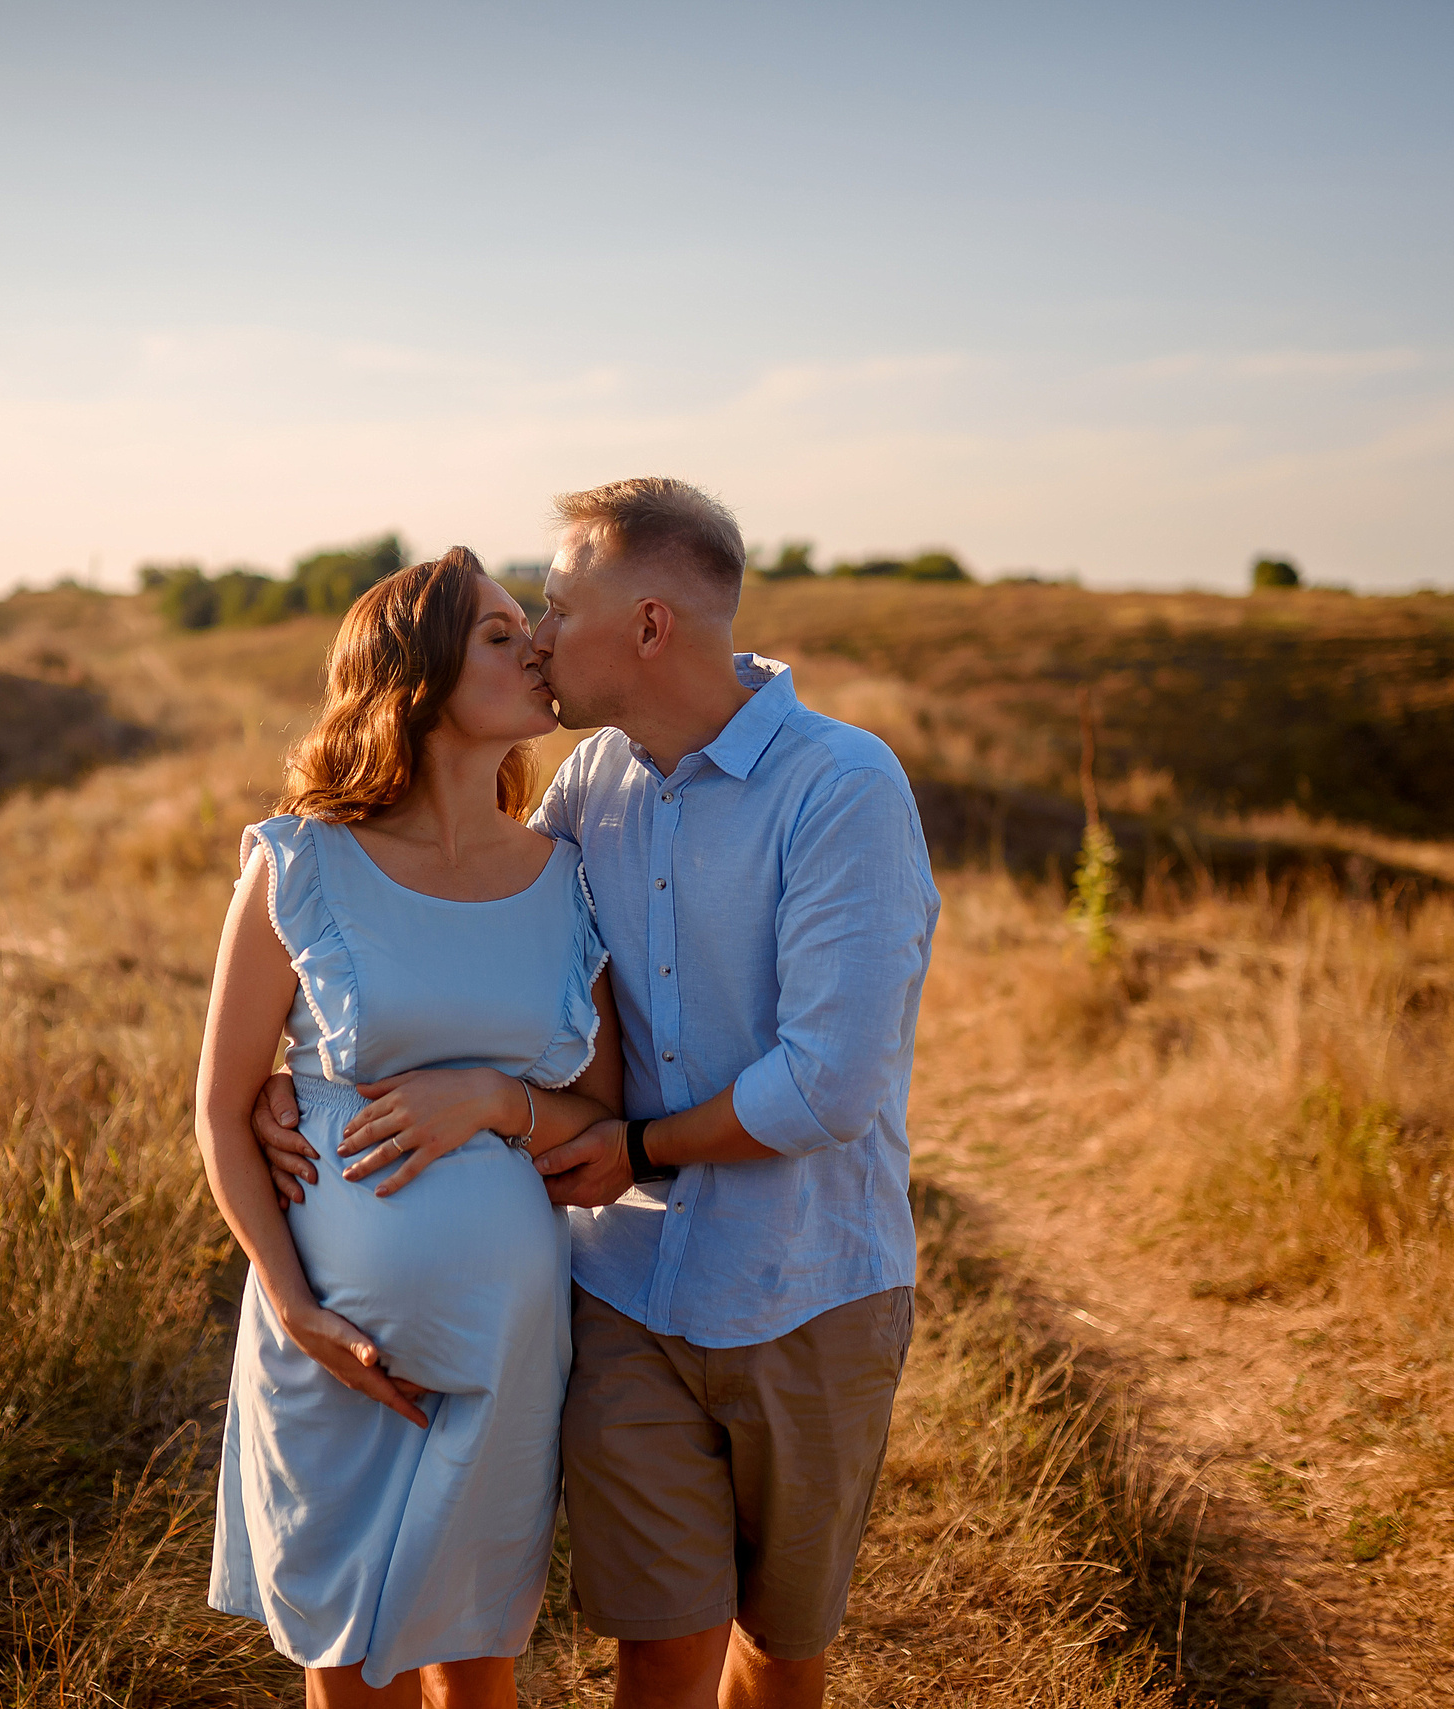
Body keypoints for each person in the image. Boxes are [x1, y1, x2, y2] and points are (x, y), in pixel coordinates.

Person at [259, 479, 941, 1709]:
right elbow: (480, 970)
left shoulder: (842, 783)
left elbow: (829, 1082)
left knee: (780, 1645)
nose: (540, 636)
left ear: (648, 626)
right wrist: (290, 1083)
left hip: (803, 1284)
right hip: (624, 1292)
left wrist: (635, 1144)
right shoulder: (587, 792)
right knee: (661, 1644)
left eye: (558, 608)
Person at [195, 548, 626, 1708]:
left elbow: (602, 1119)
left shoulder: (565, 877)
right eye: (499, 633)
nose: (535, 647)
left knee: (478, 1667)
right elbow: (221, 1108)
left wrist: (493, 1099)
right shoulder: (301, 862)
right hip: (333, 1344)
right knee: (348, 1673)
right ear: (418, 675)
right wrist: (295, 1306)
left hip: (504, 1343)